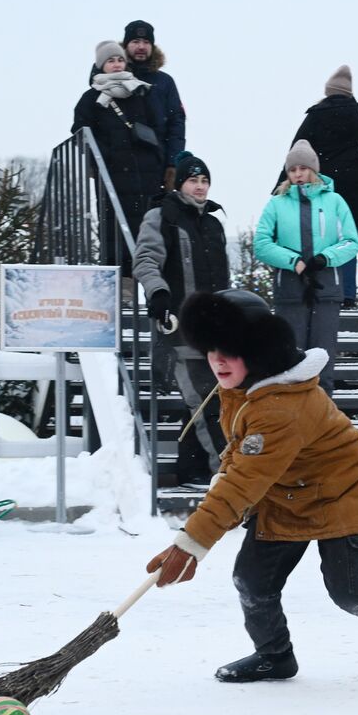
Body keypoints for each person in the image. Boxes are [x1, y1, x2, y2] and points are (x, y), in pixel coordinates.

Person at [145, 288, 358, 680]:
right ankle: (274, 656)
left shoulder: (281, 407)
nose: (218, 360)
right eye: (211, 349)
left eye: (230, 350)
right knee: (252, 581)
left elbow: (244, 481)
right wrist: (224, 472)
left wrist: (191, 543)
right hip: (285, 495)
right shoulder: (241, 388)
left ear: (258, 351)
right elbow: (242, 456)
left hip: (340, 496)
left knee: (350, 592)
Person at [131, 152, 230, 482]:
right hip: (179, 328)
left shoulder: (213, 223)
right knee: (203, 404)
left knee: (215, 404)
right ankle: (228, 479)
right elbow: (145, 260)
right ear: (180, 183)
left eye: (205, 181)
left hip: (215, 331)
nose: (200, 187)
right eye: (193, 180)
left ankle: (190, 468)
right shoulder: (162, 216)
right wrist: (158, 293)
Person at [253, 140, 358, 393]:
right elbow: (262, 244)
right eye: (292, 170)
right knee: (289, 361)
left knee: (323, 361)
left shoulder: (335, 201)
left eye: (303, 168)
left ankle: (323, 422)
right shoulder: (276, 204)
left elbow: (351, 242)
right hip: (290, 291)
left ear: (314, 169)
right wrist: (294, 262)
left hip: (326, 290)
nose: (298, 174)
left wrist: (325, 258)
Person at [282, 66, 358, 308]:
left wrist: (282, 184)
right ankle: (348, 295)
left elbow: (296, 150)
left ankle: (325, 292)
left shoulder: (316, 116)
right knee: (349, 239)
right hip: (353, 185)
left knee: (321, 238)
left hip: (322, 185)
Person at [72, 41, 163, 268]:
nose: (116, 64)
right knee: (115, 229)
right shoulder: (90, 99)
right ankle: (123, 284)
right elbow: (81, 132)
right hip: (113, 174)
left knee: (148, 226)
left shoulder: (142, 91)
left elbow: (158, 126)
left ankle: (151, 283)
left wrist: (157, 159)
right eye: (110, 60)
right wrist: (104, 157)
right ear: (101, 66)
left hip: (145, 173)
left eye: (120, 59)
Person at [121, 20, 187, 175]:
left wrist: (172, 164)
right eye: (135, 41)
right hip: (119, 167)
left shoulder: (165, 82)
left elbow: (176, 125)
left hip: (156, 166)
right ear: (125, 46)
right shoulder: (113, 79)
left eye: (146, 42)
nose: (141, 47)